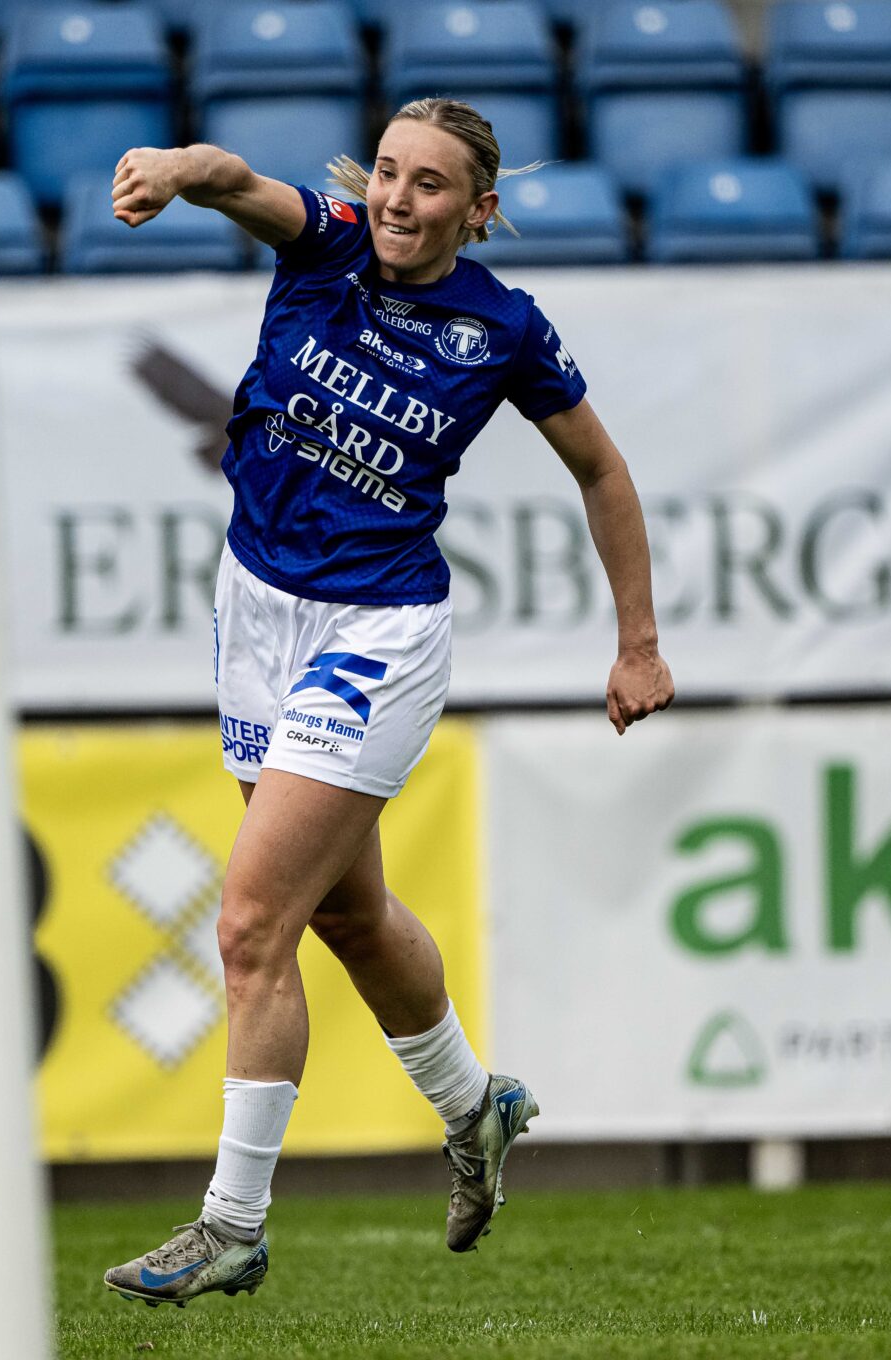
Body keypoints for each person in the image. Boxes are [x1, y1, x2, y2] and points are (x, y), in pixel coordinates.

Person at [96, 99, 675, 1307]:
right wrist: (173, 167)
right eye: (390, 174)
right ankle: (475, 1105)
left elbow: (602, 469)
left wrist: (637, 644)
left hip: (376, 636)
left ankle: (233, 1224)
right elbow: (233, 178)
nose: (400, 200)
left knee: (252, 923)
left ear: (478, 208)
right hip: (255, 609)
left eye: (430, 184)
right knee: (346, 916)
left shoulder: (505, 327)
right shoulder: (327, 242)